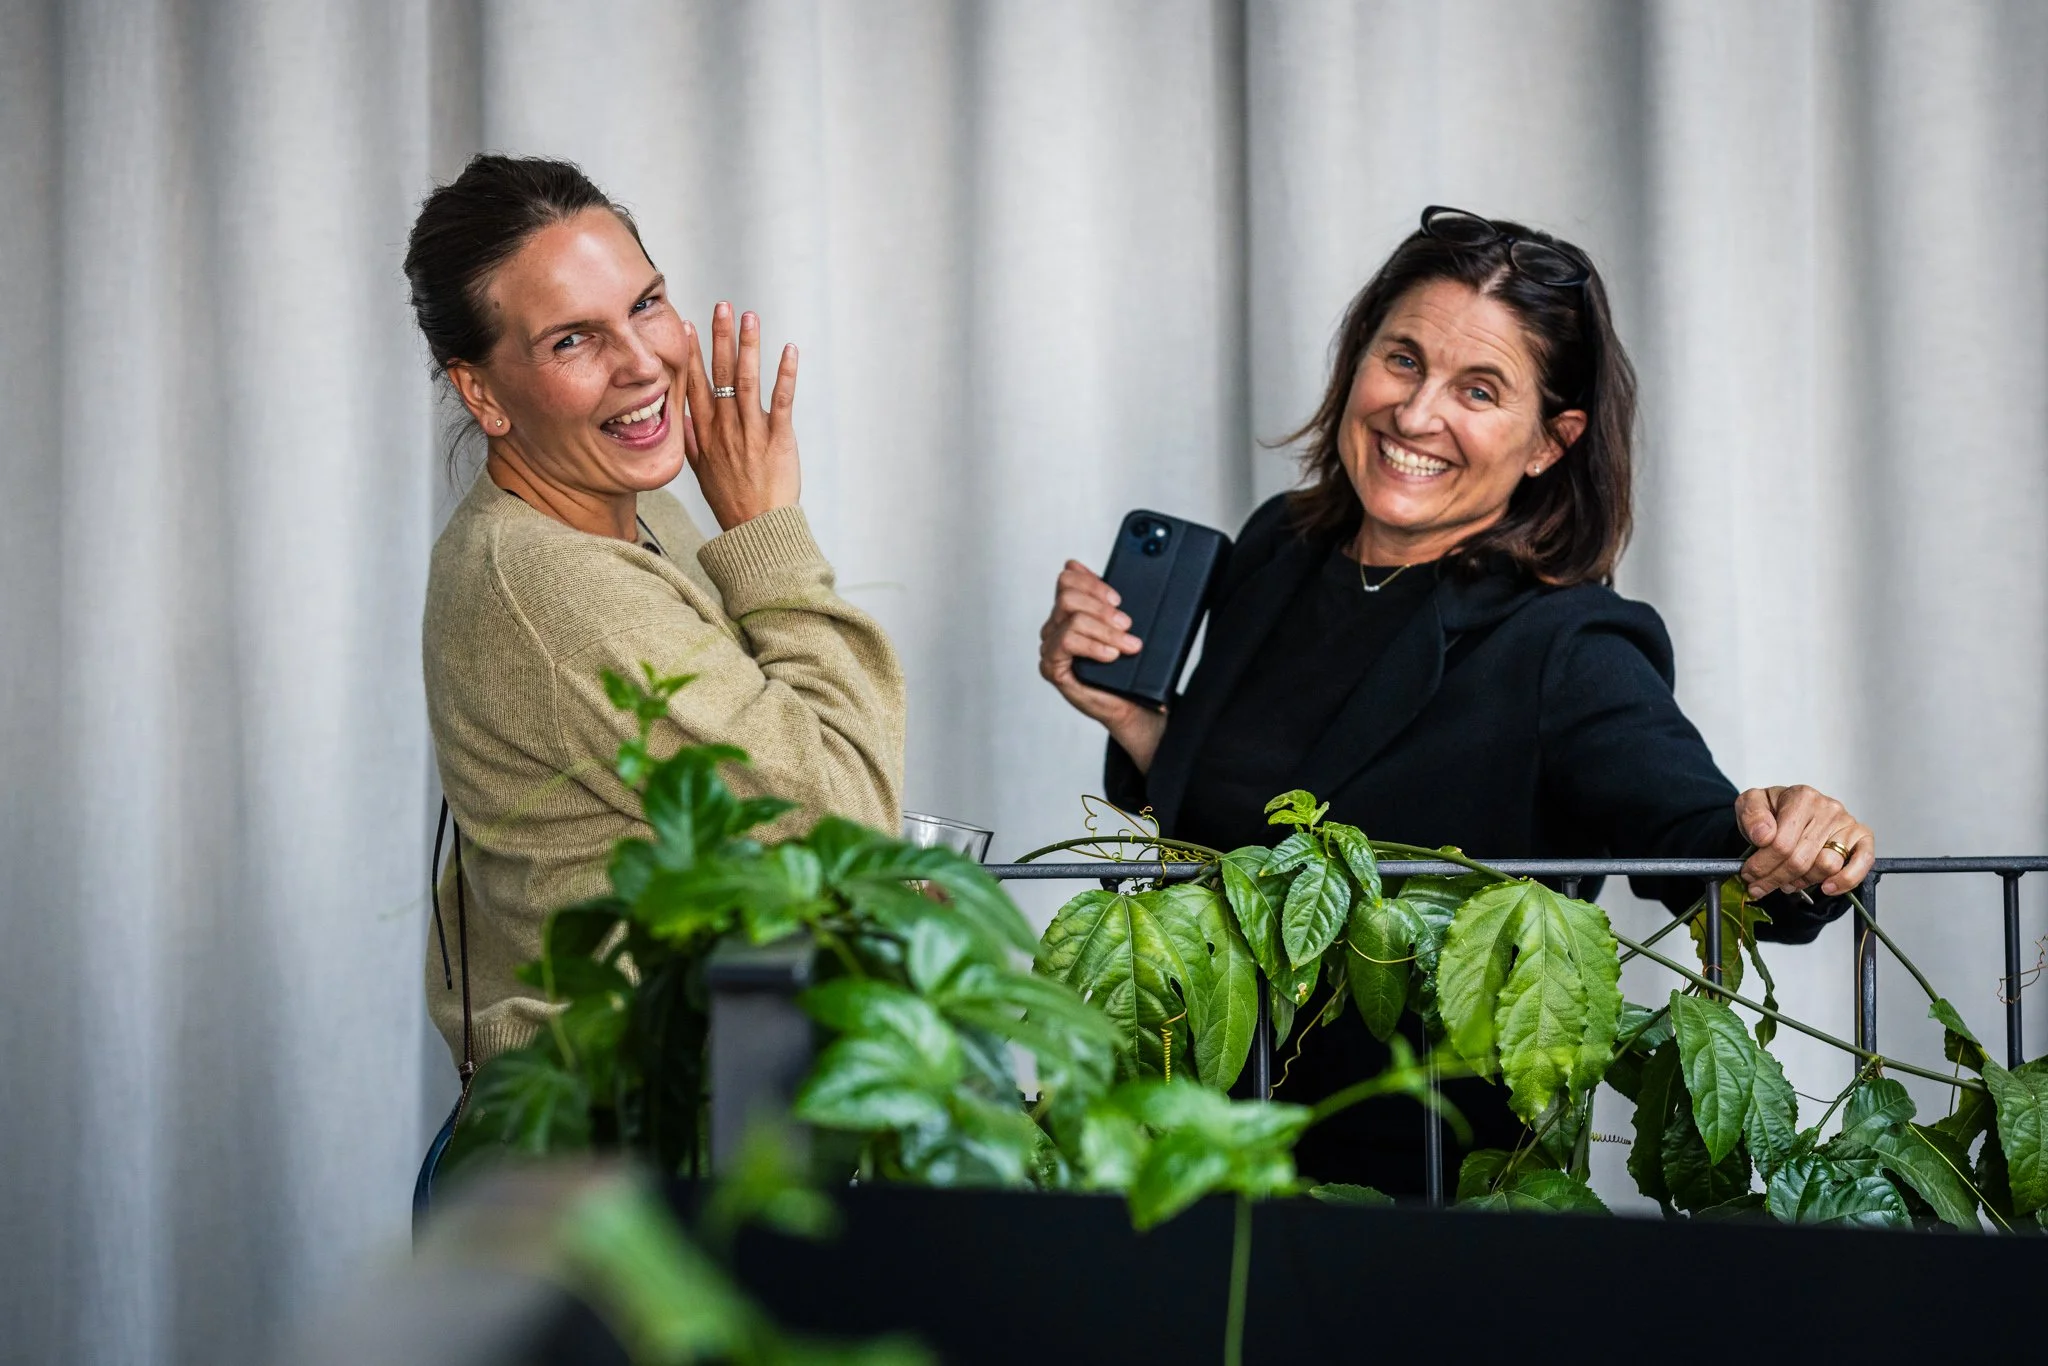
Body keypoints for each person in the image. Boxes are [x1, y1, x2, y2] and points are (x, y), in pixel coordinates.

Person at [1036, 205, 1874, 1193]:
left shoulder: (1569, 646)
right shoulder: (1278, 550)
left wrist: (1799, 841)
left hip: (1399, 1190)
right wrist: (1133, 720)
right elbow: (1236, 826)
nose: (1417, 411)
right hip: (1175, 1141)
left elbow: (1699, 852)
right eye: (1401, 361)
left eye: (1477, 390)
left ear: (1547, 442)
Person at [406, 155, 904, 1069]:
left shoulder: (644, 514)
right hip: (615, 1151)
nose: (643, 363)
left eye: (645, 303)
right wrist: (766, 531)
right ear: (481, 391)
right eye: (571, 340)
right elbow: (848, 825)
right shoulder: (554, 585)